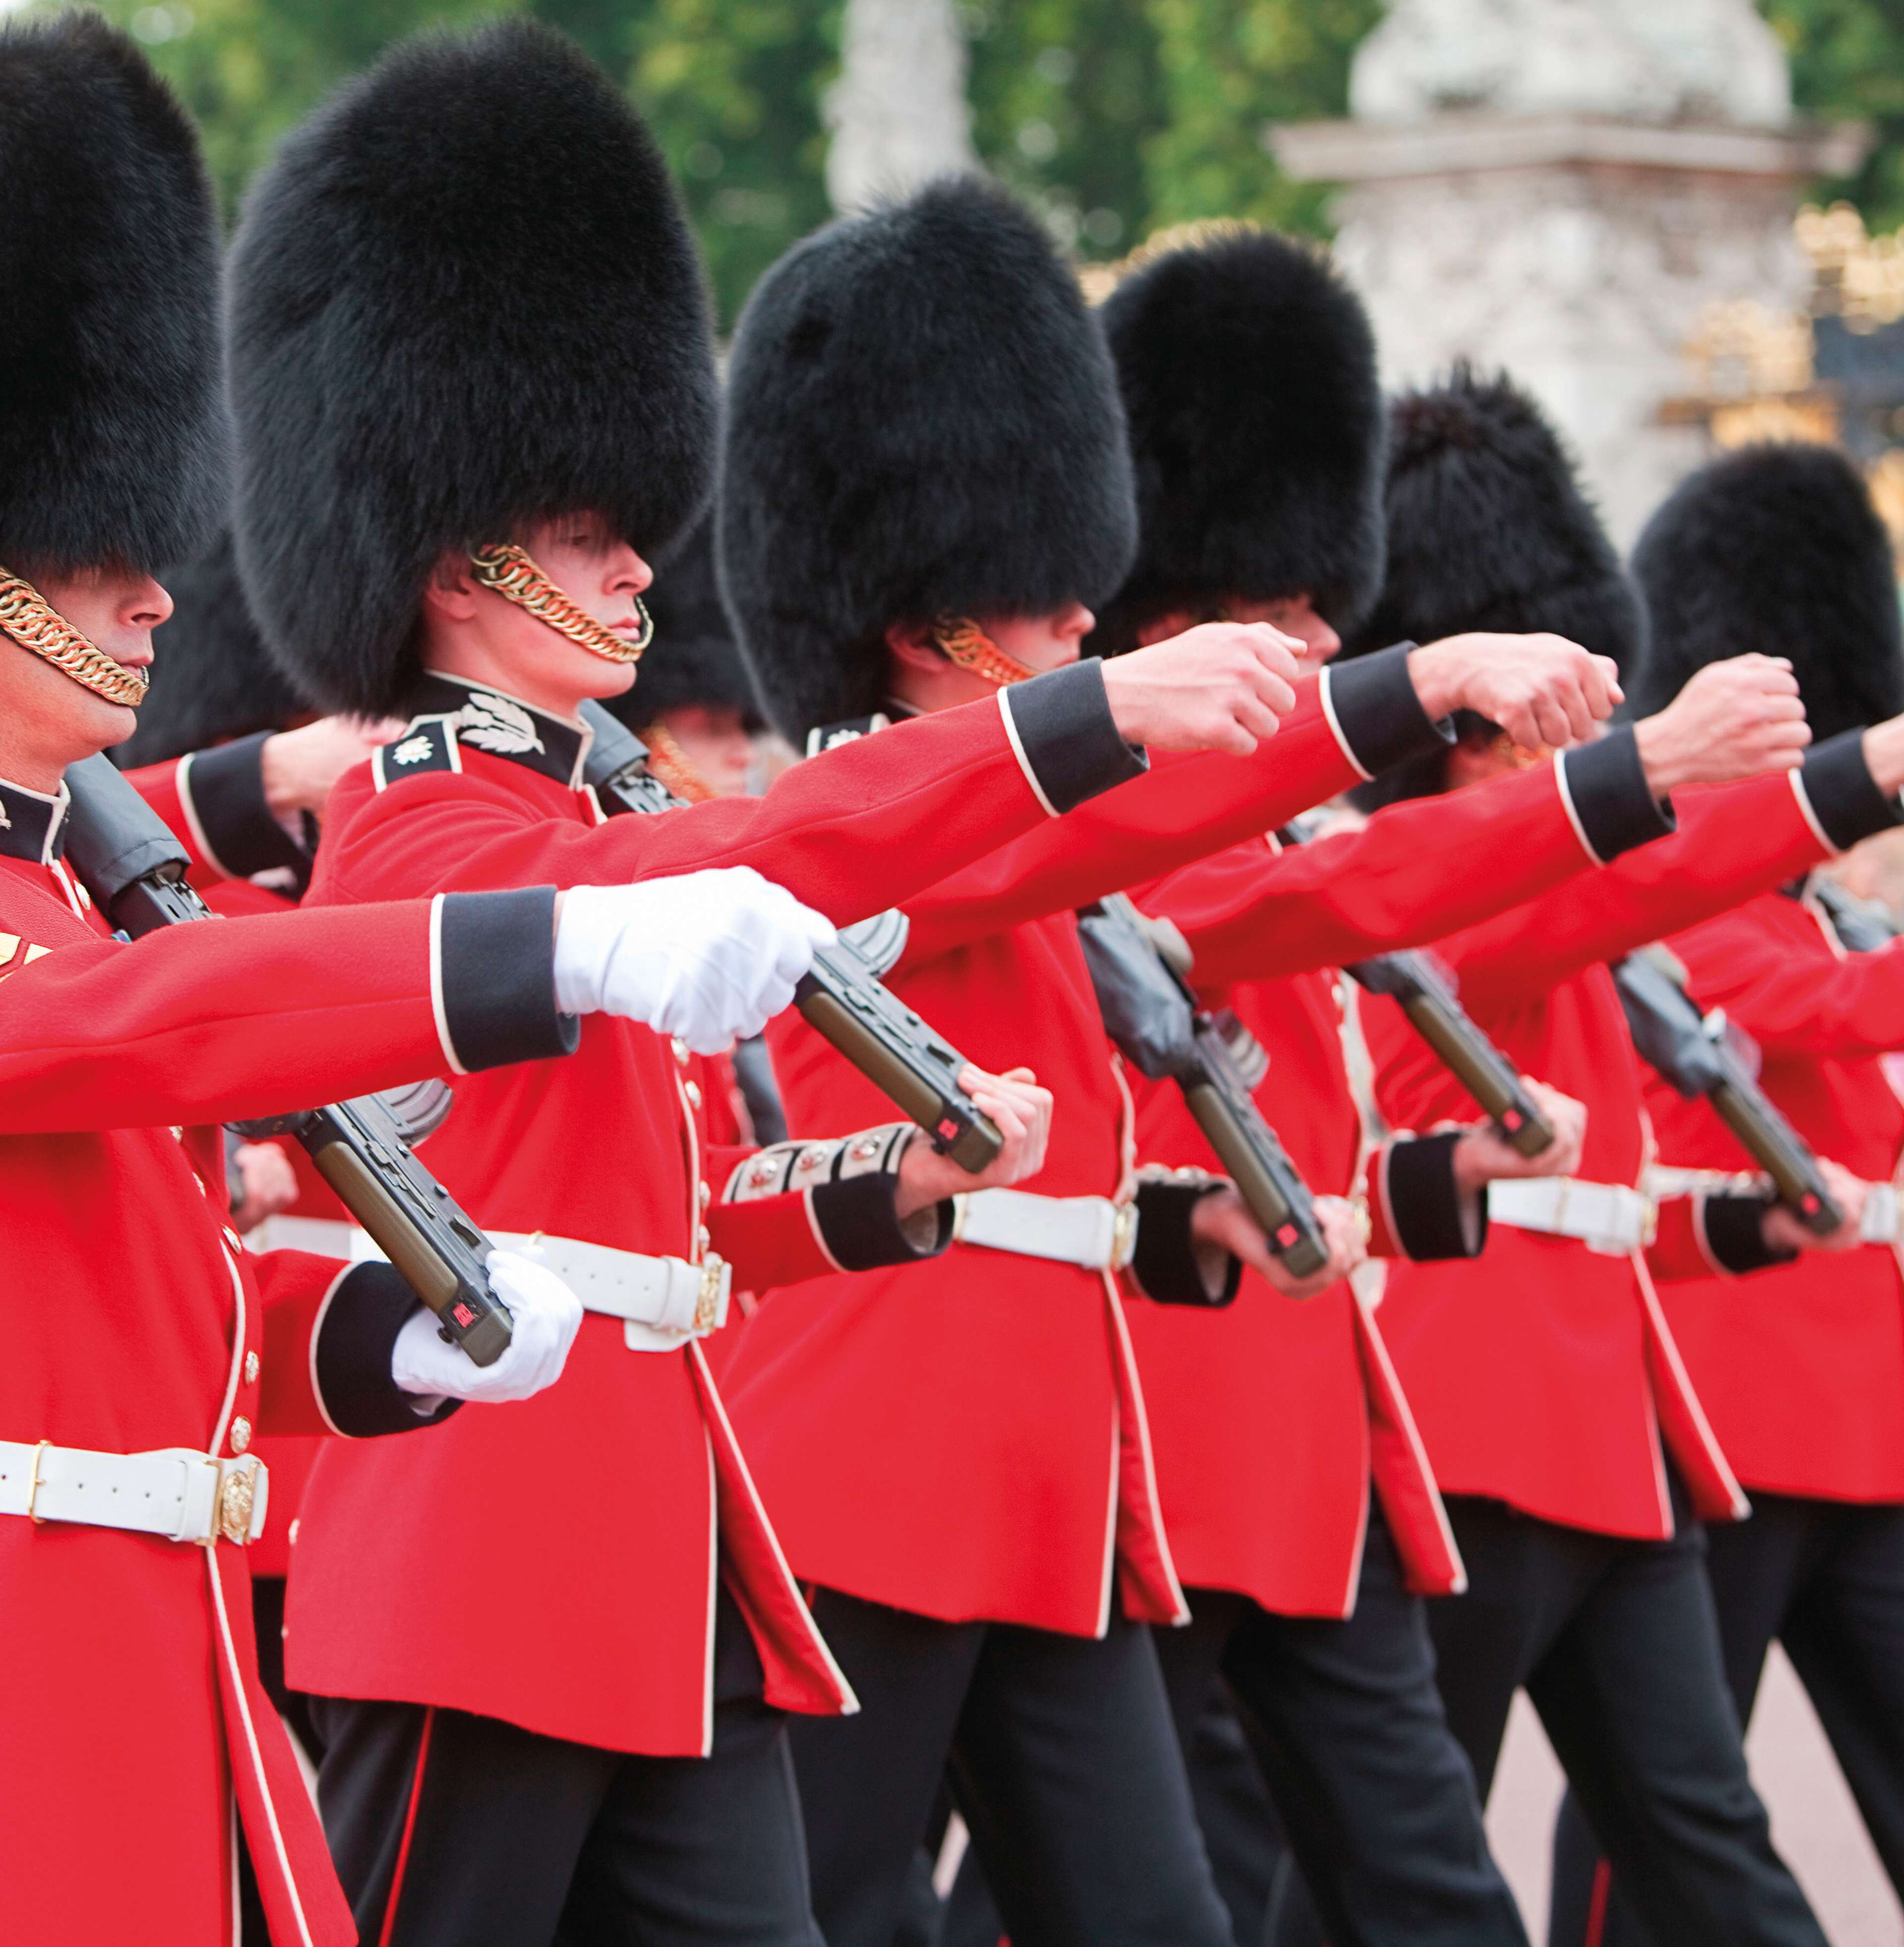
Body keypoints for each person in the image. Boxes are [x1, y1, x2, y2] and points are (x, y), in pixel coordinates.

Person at [223, 27, 1301, 1947]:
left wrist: (889, 1189)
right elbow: (700, 870)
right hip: (482, 1571)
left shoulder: (603, 799)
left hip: (665, 1570)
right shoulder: (420, 831)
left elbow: (675, 1213)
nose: (642, 565)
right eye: (583, 534)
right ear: (463, 560)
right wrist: (1083, 715)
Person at [0, 19, 847, 1943]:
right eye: (94, 535)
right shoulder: (112, 922)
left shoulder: (71, 885)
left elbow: (149, 1312)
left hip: (159, 1677)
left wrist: (381, 1340)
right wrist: (566, 940)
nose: (161, 588)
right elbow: (146, 1028)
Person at [711, 176, 1629, 1947]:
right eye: (1057, 615)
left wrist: (1194, 1224)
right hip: (880, 1474)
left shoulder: (1021, 824)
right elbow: (1305, 863)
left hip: (1060, 1482)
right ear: (929, 622)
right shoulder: (873, 820)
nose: (1089, 633)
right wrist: (1423, 679)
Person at [940, 223, 1811, 1947]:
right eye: (1290, 617)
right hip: (1169, 1445)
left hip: (1320, 1439)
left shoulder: (1285, 834)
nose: (1328, 638)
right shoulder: (1135, 850)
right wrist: (1682, 769)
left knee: (1400, 1888)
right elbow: (1373, 897)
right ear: (1181, 632)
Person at [1343, 368, 1904, 1947]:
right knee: (1390, 1870)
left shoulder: (1568, 883)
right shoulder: (1436, 883)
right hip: (1465, 1438)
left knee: (1704, 1840)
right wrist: (1807, 777)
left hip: (1611, 1438)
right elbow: (1625, 890)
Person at [1549, 444, 1904, 1943]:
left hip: (1872, 1420)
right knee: (1670, 1806)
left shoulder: (1832, 910)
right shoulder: (1677, 883)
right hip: (1733, 1410)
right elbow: (1796, 1019)